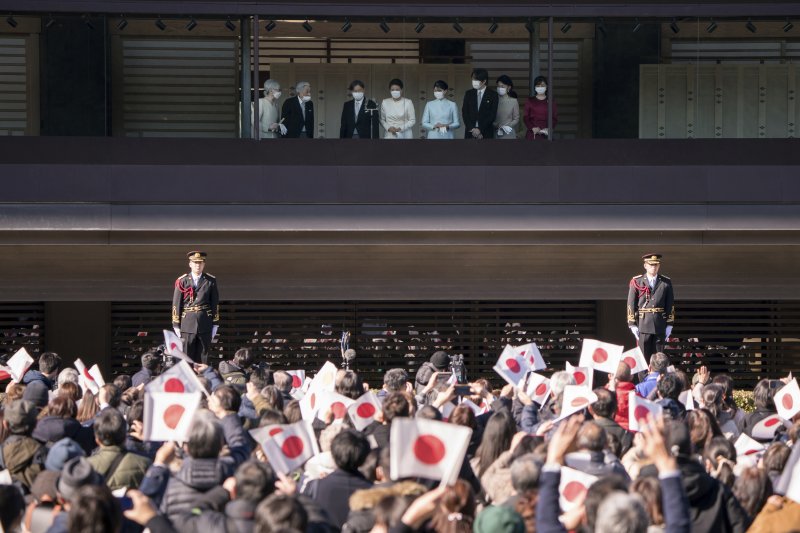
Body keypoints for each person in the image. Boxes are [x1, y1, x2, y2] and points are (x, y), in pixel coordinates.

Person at [171, 251, 220, 364]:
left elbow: (215, 303)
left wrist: (215, 323)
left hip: (205, 322)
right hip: (187, 322)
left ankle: (202, 380)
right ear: (190, 264)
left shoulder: (210, 280)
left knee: (204, 355)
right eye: (195, 262)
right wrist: (176, 324)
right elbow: (176, 303)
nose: (198, 265)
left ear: (204, 264)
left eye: (200, 262)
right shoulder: (182, 281)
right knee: (187, 356)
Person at [627, 253, 676, 359]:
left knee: (659, 358)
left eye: (656, 265)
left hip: (660, 324)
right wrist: (632, 324)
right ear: (645, 265)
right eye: (651, 265)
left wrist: (670, 324)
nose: (654, 267)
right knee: (643, 358)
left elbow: (670, 305)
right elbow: (631, 304)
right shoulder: (637, 281)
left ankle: (658, 376)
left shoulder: (666, 282)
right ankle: (644, 376)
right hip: (643, 324)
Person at [462, 68, 498, 139]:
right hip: (470, 132)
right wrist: (472, 129)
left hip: (486, 132)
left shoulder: (493, 95)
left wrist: (480, 130)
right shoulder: (469, 93)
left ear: (484, 81)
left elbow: (492, 115)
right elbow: (465, 112)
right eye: (473, 79)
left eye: (476, 80)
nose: (473, 82)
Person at [523, 75, 558, 140]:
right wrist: (532, 127)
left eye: (542, 85)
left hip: (546, 134)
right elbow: (525, 117)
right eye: (538, 86)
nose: (540, 87)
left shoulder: (551, 101)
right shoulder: (530, 101)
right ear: (535, 87)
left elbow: (554, 118)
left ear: (546, 87)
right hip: (532, 134)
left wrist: (549, 128)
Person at [494, 75, 520, 139]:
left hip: (509, 133)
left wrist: (507, 126)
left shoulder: (513, 101)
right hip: (495, 132)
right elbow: (490, 116)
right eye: (498, 86)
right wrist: (497, 125)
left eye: (502, 86)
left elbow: (516, 118)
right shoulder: (493, 100)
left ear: (509, 87)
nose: (500, 88)